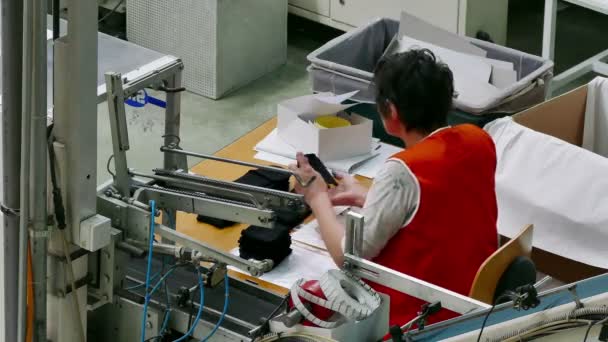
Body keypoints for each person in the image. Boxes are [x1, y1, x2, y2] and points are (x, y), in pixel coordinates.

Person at [288, 48, 499, 327]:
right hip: (472, 295)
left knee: (305, 297)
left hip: (420, 317)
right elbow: (445, 203)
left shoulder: (403, 170)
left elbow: (348, 257)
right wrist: (372, 198)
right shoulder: (478, 139)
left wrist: (316, 197)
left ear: (392, 111)